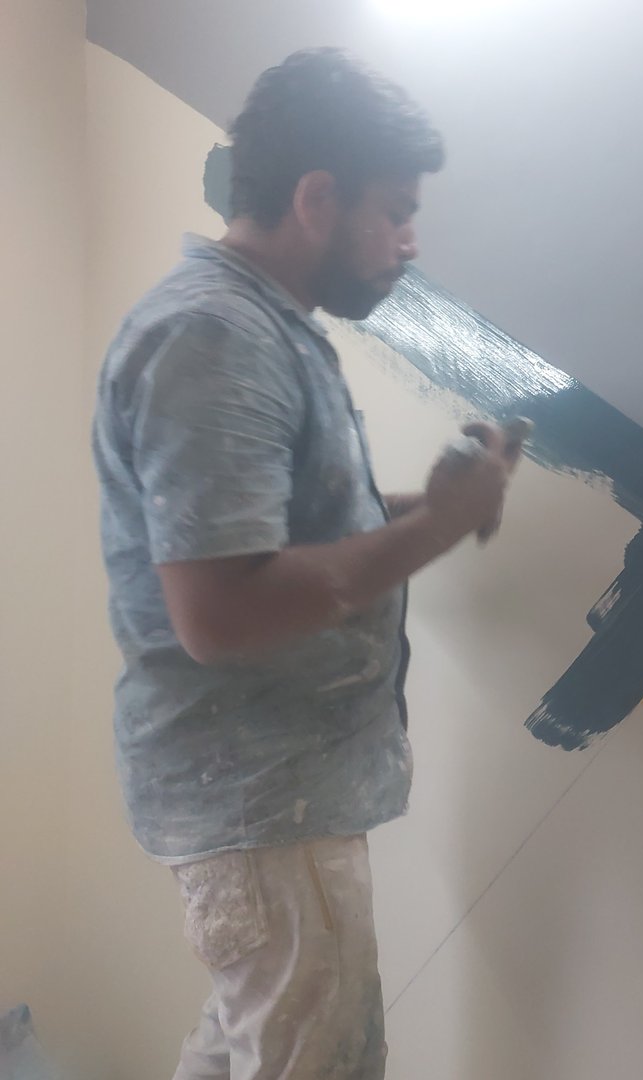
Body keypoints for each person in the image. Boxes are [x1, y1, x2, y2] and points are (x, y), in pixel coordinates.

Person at [92, 47, 518, 1079]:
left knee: (247, 1050)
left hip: (264, 797)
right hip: (260, 805)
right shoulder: (218, 339)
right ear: (317, 197)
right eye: (396, 213)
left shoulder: (258, 327)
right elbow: (220, 611)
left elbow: (272, 540)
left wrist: (441, 507)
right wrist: (442, 525)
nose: (410, 243)